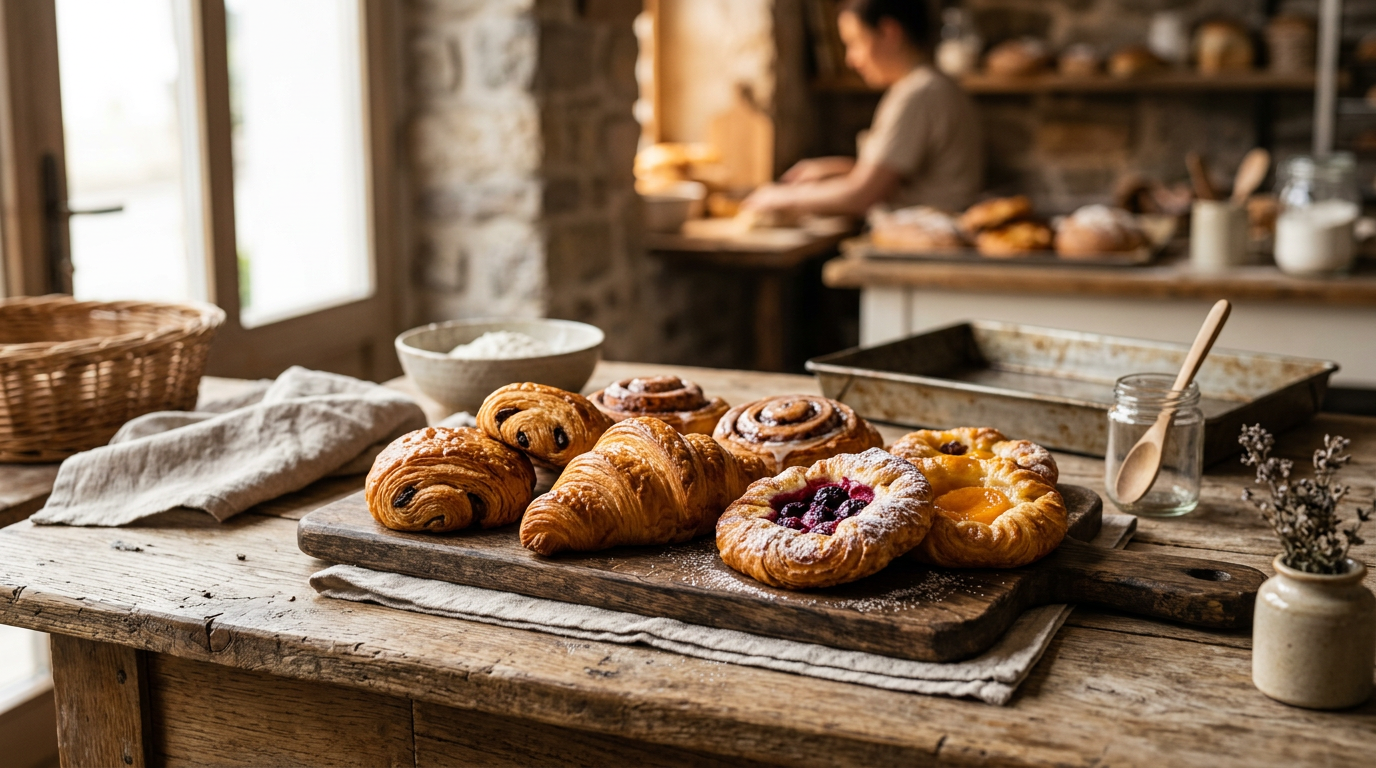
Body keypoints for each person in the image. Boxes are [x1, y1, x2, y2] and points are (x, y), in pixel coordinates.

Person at [744, 0, 983, 216]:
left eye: (855, 43)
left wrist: (780, 197)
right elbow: (902, 175)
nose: (851, 59)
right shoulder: (938, 84)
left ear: (889, 33)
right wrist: (839, 169)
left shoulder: (918, 92)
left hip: (925, 237)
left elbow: (862, 195)